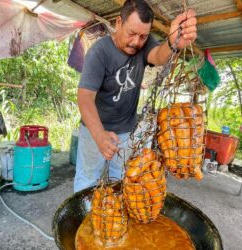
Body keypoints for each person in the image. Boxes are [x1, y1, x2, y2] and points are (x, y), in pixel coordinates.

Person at [74, 0, 197, 192]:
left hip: (126, 131)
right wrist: (99, 135)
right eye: (131, 34)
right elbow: (85, 97)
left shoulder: (144, 44)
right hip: (94, 129)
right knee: (88, 180)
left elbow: (158, 56)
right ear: (118, 23)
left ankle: (113, 220)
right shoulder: (100, 52)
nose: (136, 42)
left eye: (142, 36)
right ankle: (86, 220)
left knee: (119, 180)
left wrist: (173, 43)